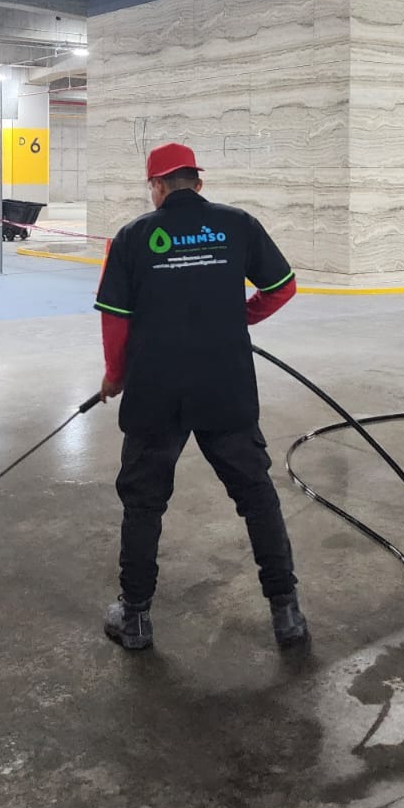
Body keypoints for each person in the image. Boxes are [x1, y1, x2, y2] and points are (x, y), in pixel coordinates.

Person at [94, 142, 306, 652]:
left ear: (156, 186)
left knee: (144, 503)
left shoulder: (132, 237)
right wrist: (240, 317)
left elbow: (115, 319)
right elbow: (282, 287)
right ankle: (286, 613)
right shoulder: (238, 225)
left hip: (155, 389)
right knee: (256, 496)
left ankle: (136, 618)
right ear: (198, 182)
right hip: (224, 384)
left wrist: (115, 376)